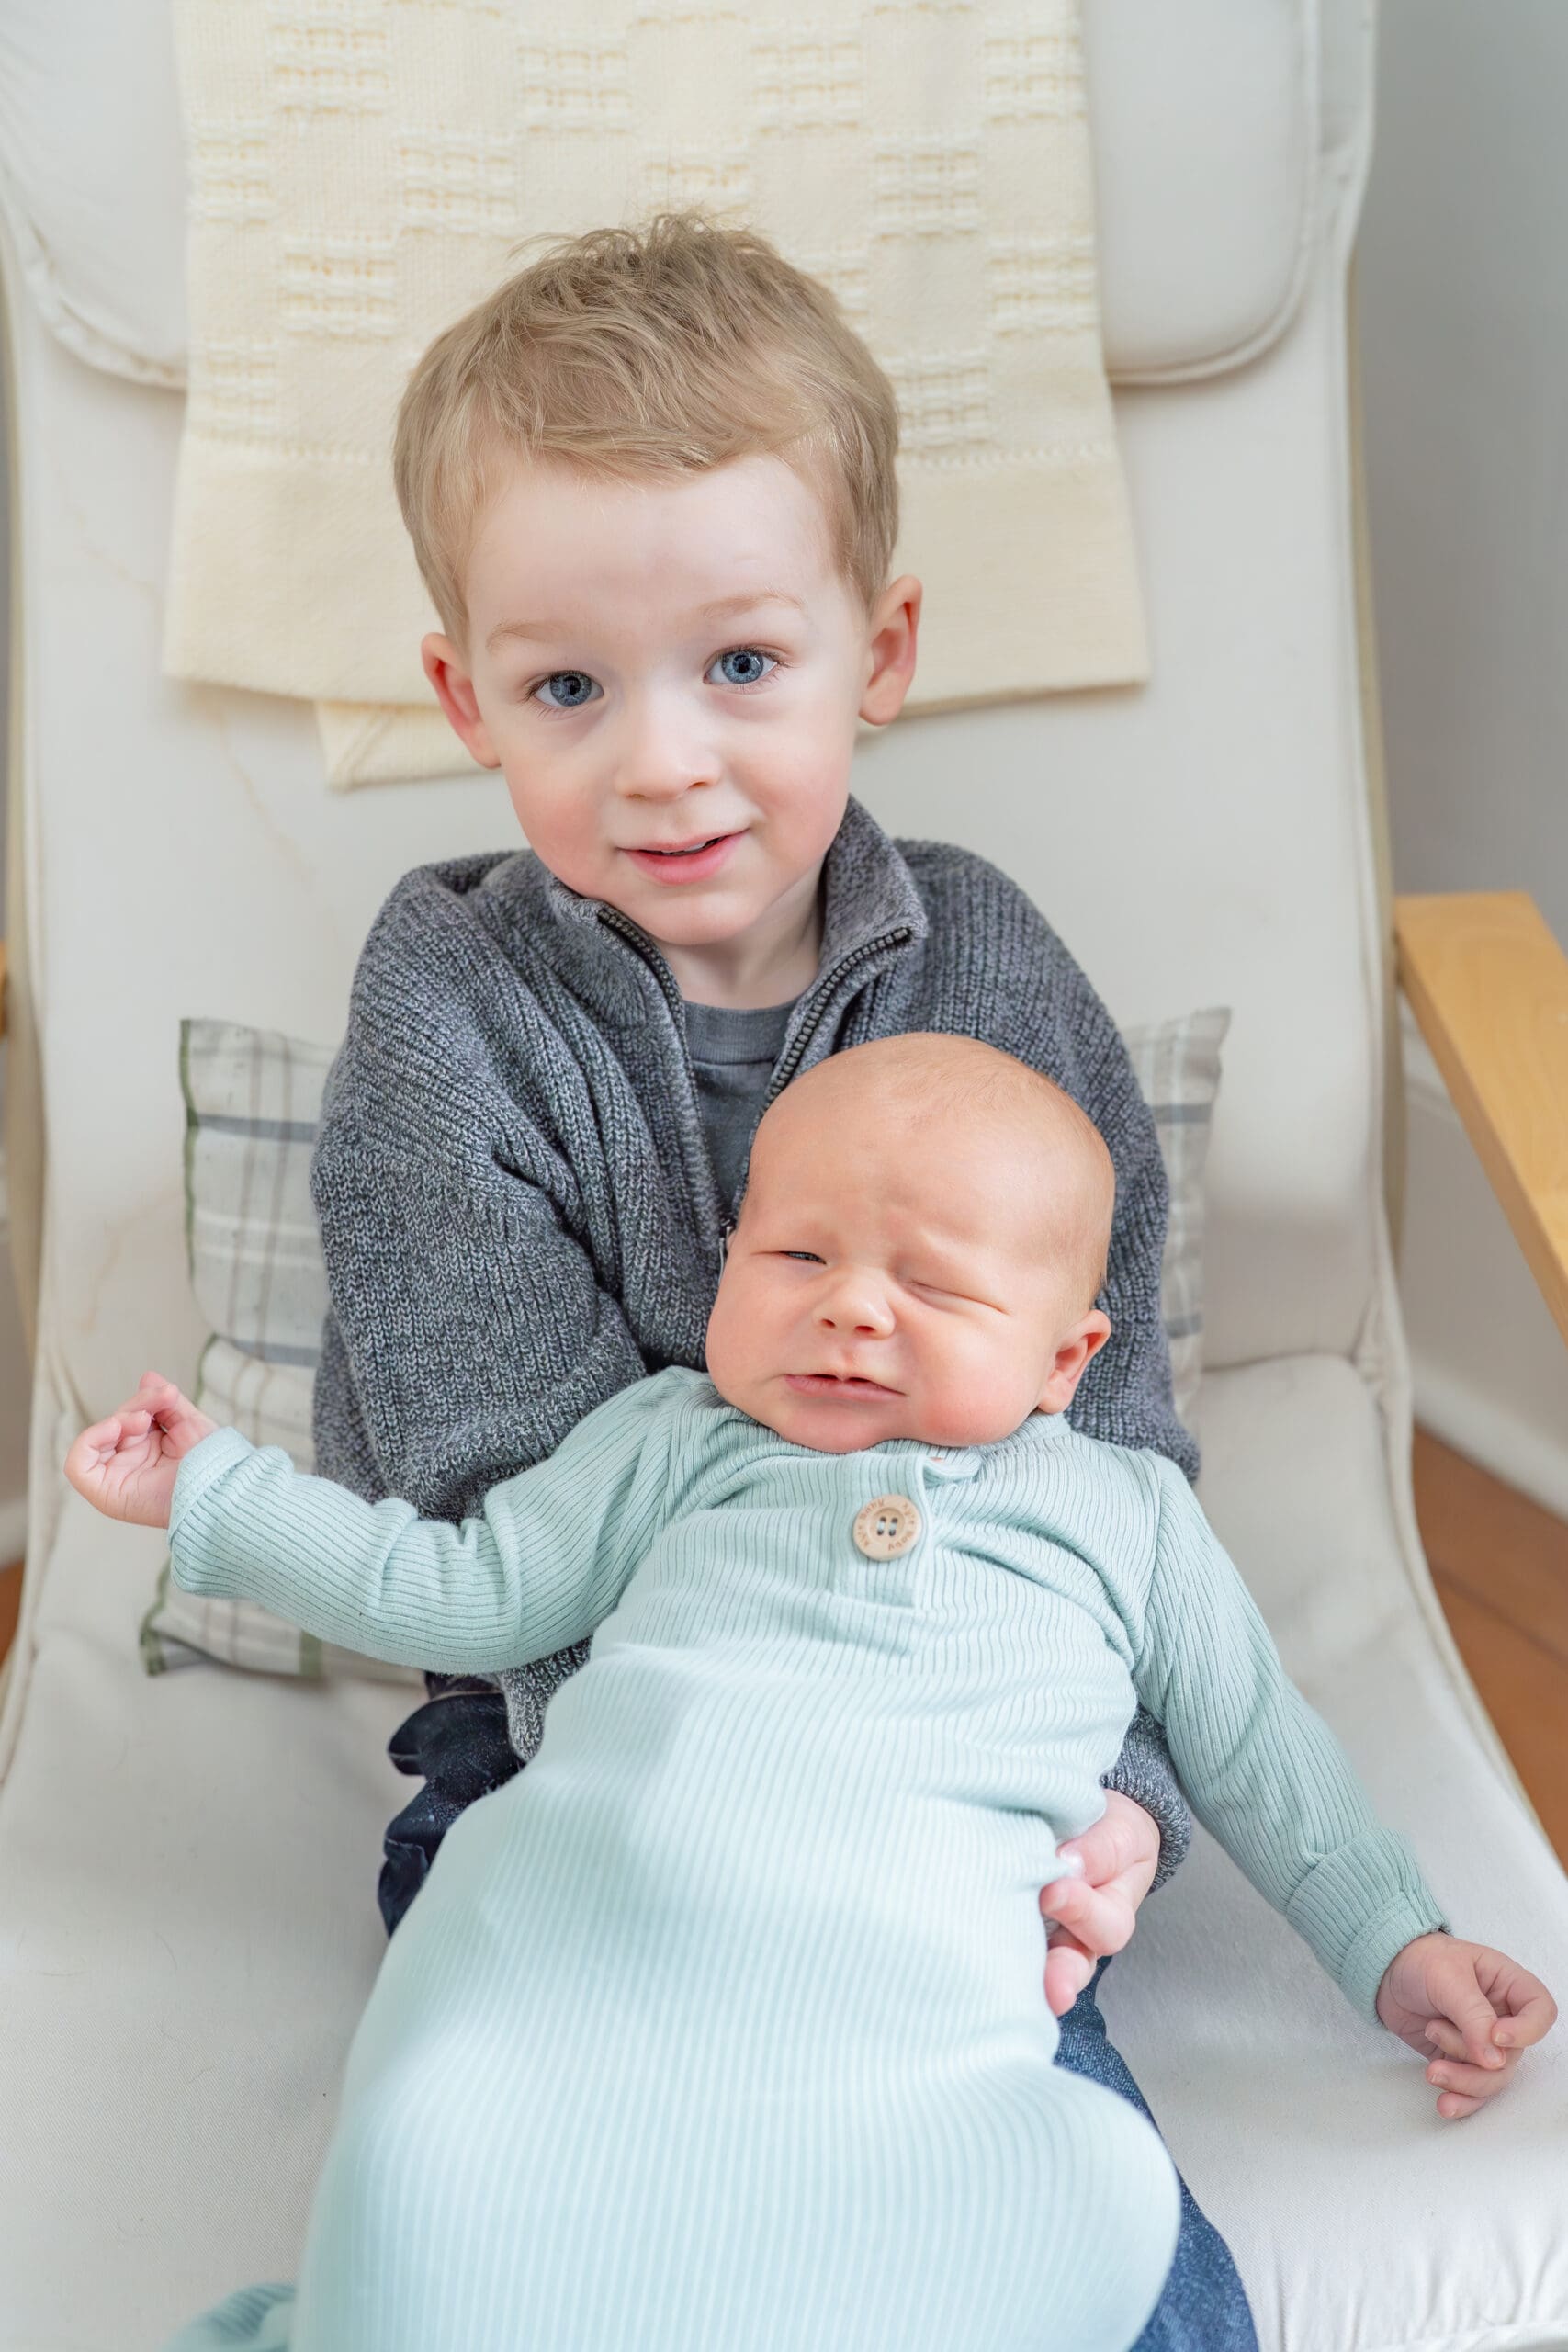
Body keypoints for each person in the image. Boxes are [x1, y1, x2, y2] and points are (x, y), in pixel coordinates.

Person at [313, 205, 1232, 2340]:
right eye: (567, 685)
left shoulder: (990, 967)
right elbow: (495, 1492)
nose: (661, 759)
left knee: (1088, 2259)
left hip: (948, 1762)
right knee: (511, 2219)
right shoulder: (444, 1008)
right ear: (466, 696)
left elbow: (1117, 1456)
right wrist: (713, 1839)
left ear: (876, 654)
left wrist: (1117, 1804)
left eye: (740, 663)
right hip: (578, 1760)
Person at [67, 1037, 1556, 2352]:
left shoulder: (1122, 1513)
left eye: (931, 1283)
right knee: (433, 2169)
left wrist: (1393, 1939)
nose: (851, 1311)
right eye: (796, 1260)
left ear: (1065, 1360)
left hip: (893, 2011)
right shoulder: (676, 1437)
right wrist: (221, 1490)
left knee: (1071, 2205)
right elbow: (456, 1586)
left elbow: (1258, 1746)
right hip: (565, 1946)